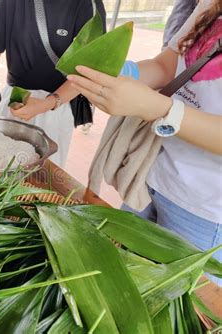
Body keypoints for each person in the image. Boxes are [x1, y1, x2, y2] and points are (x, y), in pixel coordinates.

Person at [68, 0, 221, 284]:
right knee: (118, 277)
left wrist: (158, 109)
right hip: (154, 179)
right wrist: (122, 73)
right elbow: (168, 65)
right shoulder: (211, 6)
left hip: (206, 211)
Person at [0, 0, 106, 168]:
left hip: (56, 106)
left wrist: (47, 103)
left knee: (42, 179)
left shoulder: (87, 4)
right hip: (13, 102)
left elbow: (88, 72)